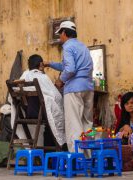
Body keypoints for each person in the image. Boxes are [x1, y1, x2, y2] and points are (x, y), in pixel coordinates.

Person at [45, 21, 94, 152]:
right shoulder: (82, 46)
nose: (60, 37)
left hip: (74, 89)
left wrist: (60, 80)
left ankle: (76, 159)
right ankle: (88, 157)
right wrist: (50, 64)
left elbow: (70, 69)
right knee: (87, 124)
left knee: (74, 124)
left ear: (65, 33)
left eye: (60, 34)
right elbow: (67, 66)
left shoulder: (67, 46)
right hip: (88, 87)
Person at [10, 54, 67, 150]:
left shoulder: (24, 75)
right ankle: (53, 151)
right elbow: (57, 97)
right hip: (40, 113)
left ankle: (44, 153)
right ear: (41, 64)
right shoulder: (42, 77)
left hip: (27, 112)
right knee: (57, 118)